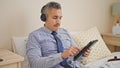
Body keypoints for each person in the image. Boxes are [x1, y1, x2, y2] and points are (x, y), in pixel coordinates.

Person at [26, 1, 91, 68]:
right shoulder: (34, 36)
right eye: (55, 18)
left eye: (60, 18)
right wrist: (62, 56)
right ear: (44, 18)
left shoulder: (65, 32)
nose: (58, 22)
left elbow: (75, 59)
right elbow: (34, 64)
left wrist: (82, 54)